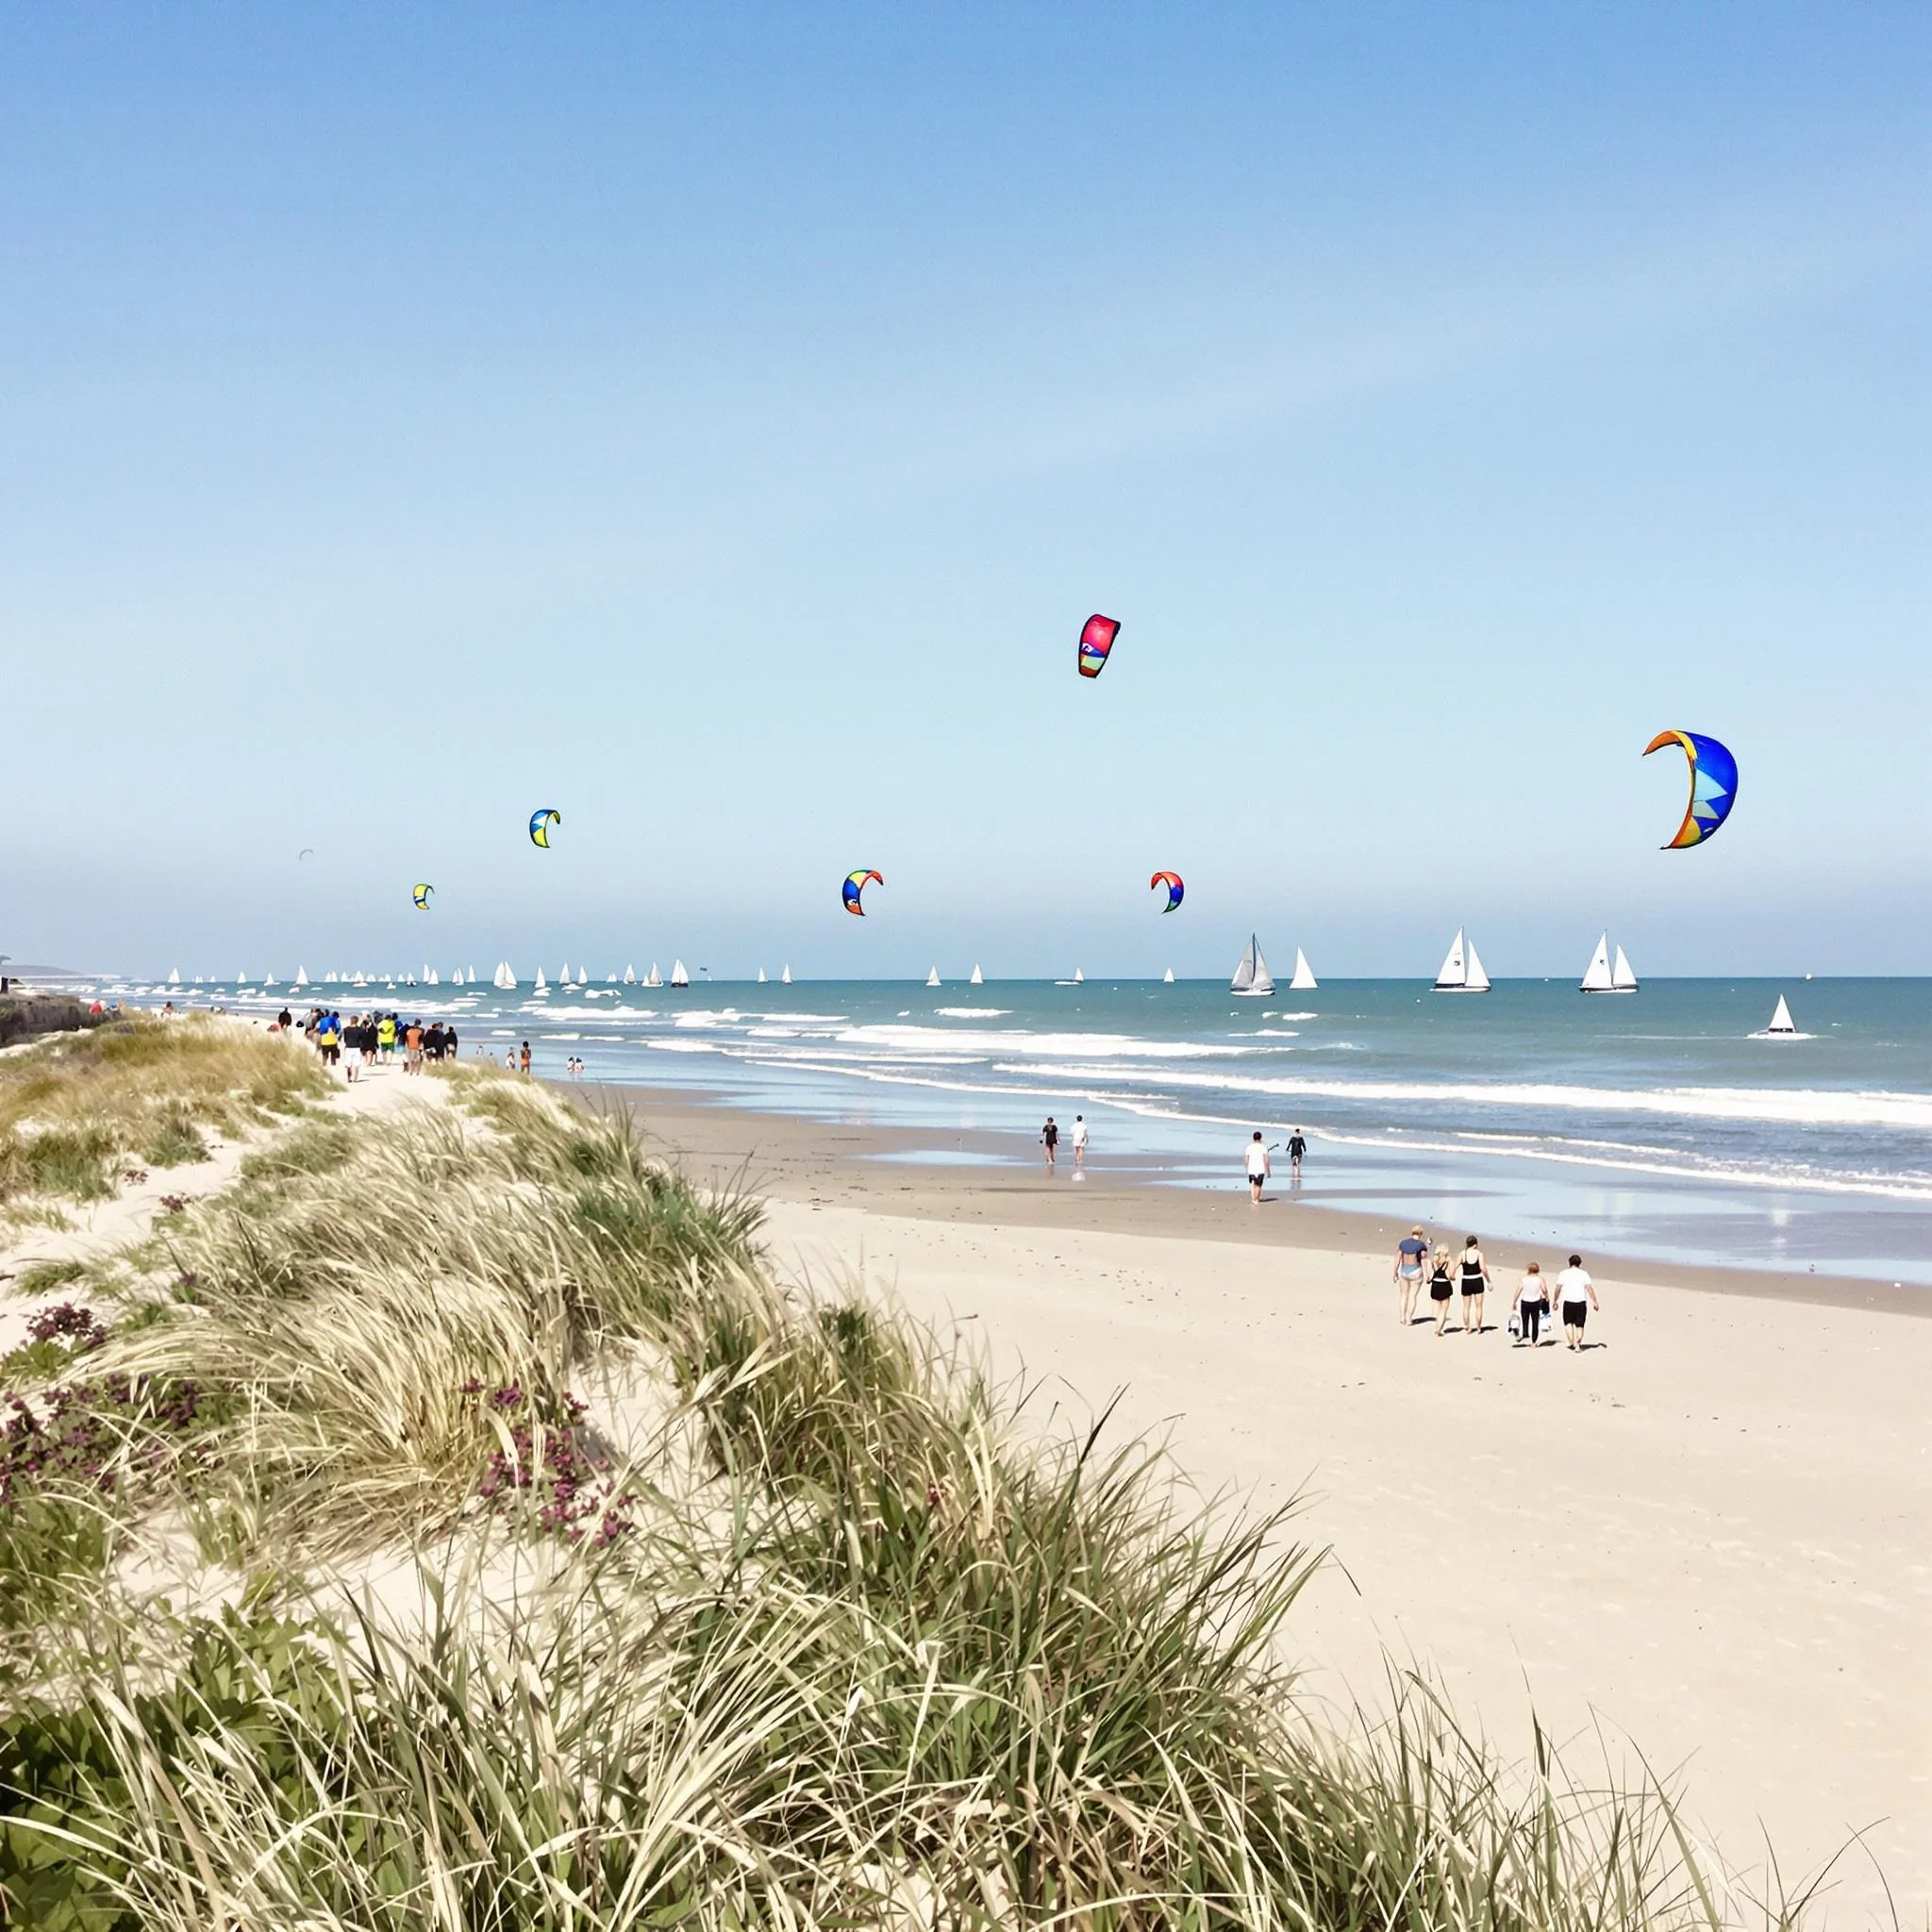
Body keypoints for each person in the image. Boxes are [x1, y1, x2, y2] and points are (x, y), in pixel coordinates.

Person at [1556, 1254, 1599, 1350]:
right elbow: (1589, 1289)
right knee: (1580, 1325)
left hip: (1568, 1302)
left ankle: (1571, 1342)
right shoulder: (1584, 1274)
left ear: (1569, 1263)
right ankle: (1578, 1344)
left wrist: (1555, 1300)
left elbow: (1558, 1288)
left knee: (1568, 1323)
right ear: (1580, 1264)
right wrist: (1595, 1301)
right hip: (1580, 1302)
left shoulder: (1564, 1273)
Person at [1393, 1224, 1429, 1325]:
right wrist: (1426, 1274)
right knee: (1412, 1296)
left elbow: (1398, 1257)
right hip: (1416, 1270)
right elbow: (1423, 1259)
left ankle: (1402, 1317)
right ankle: (1409, 1319)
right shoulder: (1421, 1245)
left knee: (1404, 1294)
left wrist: (1395, 1271)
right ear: (1421, 1234)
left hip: (1404, 1270)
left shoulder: (1403, 1243)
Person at [1457, 1234, 1489, 1334]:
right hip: (1477, 1280)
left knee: (1466, 1306)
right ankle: (1479, 1327)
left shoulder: (1462, 1254)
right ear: (1475, 1244)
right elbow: (1483, 1269)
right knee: (1479, 1306)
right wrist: (1489, 1280)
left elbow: (1455, 1266)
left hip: (1466, 1281)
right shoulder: (1479, 1254)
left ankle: (1467, 1327)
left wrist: (1451, 1275)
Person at [1515, 1260, 1550, 1348]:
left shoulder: (1523, 1279)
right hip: (1535, 1302)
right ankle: (1534, 1342)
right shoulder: (1540, 1279)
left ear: (1528, 1269)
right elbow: (1544, 1290)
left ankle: (1525, 1335)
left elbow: (1518, 1291)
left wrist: (1514, 1301)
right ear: (1538, 1270)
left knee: (1525, 1321)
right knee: (1535, 1322)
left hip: (1525, 1302)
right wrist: (1547, 1297)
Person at [1428, 1244, 1456, 1336]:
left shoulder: (1434, 1261)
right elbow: (1451, 1275)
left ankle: (1438, 1327)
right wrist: (1453, 1278)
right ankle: (1439, 1329)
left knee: (1437, 1309)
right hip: (1444, 1284)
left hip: (1435, 1284)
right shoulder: (1449, 1262)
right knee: (1444, 1309)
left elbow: (1431, 1273)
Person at [1245, 1130, 1269, 1204]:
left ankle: (1253, 1199)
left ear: (1253, 1138)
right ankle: (1256, 1199)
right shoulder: (1263, 1148)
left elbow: (1246, 1160)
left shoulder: (1249, 1147)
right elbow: (1266, 1161)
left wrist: (1247, 1168)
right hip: (1260, 1169)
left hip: (1251, 1169)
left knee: (1253, 1184)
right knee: (1258, 1185)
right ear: (1261, 1138)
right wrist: (1268, 1171)